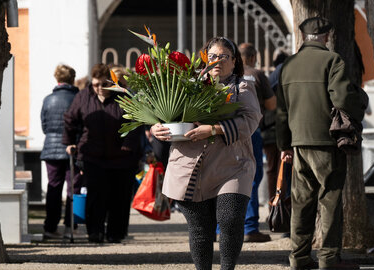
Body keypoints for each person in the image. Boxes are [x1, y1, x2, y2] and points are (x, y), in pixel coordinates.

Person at [151, 37, 261, 270]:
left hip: (232, 165)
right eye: (212, 56)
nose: (217, 61)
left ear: (234, 62)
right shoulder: (185, 86)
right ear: (204, 59)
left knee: (230, 218)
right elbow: (163, 114)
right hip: (190, 165)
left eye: (223, 57)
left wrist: (214, 129)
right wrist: (155, 126)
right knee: (200, 227)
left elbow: (251, 121)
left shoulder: (243, 87)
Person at [276, 17, 366, 270]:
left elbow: (281, 112)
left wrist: (284, 145)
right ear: (326, 35)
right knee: (330, 200)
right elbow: (343, 98)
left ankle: (299, 257)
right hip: (326, 141)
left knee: (301, 202)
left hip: (297, 142)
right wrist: (360, 105)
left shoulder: (289, 65)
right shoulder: (333, 60)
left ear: (304, 36)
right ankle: (328, 258)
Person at [63, 63, 144, 244]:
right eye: (96, 84)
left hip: (122, 158)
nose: (99, 88)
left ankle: (115, 233)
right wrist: (69, 142)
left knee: (119, 197)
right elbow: (70, 118)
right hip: (93, 155)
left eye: (103, 84)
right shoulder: (83, 97)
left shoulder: (124, 95)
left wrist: (129, 145)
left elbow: (138, 121)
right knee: (95, 195)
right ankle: (95, 231)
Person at [237, 42, 276, 242]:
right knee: (252, 176)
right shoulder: (258, 75)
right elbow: (271, 104)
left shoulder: (229, 74)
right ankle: (250, 227)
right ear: (253, 57)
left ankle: (220, 228)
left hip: (227, 130)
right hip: (252, 130)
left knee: (225, 176)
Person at [40, 64, 81, 239]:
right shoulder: (78, 98)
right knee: (74, 188)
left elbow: (44, 125)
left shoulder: (48, 99)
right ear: (72, 79)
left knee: (53, 188)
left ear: (57, 79)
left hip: (51, 147)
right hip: (73, 147)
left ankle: (50, 227)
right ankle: (70, 227)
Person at [265, 49, 290, 211]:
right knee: (285, 172)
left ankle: (274, 208)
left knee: (273, 171)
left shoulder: (271, 76)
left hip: (268, 131)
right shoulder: (284, 72)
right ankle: (283, 210)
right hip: (279, 131)